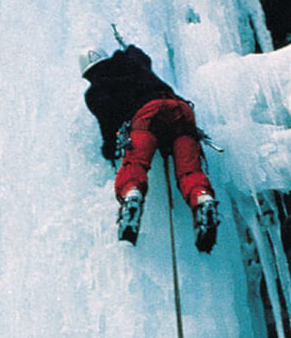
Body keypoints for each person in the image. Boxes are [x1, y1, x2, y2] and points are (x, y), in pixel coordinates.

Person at [80, 43, 219, 252]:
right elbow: (140, 54)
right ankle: (202, 199)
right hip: (180, 110)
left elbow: (107, 122)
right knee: (190, 171)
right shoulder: (130, 61)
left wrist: (109, 147)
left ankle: (132, 196)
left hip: (146, 115)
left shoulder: (96, 91)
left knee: (135, 164)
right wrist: (123, 50)